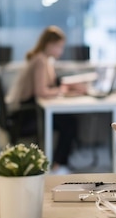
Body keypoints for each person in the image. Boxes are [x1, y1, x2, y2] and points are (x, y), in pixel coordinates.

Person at [6, 25, 86, 175]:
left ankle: (59, 162)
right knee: (69, 123)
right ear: (49, 45)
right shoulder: (40, 61)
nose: (61, 51)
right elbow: (41, 91)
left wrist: (65, 87)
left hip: (29, 111)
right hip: (27, 115)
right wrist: (62, 91)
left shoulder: (43, 60)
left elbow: (49, 86)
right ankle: (58, 165)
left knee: (68, 121)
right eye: (59, 47)